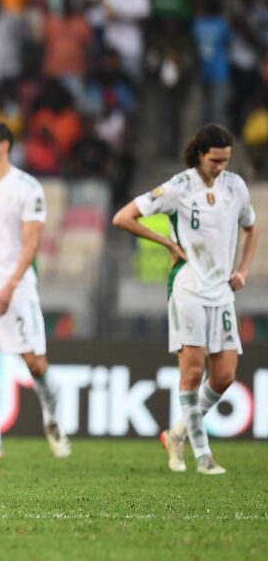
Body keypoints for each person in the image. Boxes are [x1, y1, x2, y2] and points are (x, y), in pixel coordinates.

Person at [112, 124, 257, 475]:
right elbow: (123, 217)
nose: (221, 167)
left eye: (225, 160)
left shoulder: (235, 186)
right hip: (188, 287)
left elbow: (250, 226)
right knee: (192, 373)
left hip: (221, 291)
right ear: (199, 155)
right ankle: (204, 456)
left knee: (224, 376)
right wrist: (167, 243)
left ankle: (176, 434)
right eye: (215, 160)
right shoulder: (179, 187)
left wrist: (243, 269)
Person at [0, 123, 71, 460]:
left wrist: (10, 285)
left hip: (17, 288)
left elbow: (32, 242)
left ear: (4, 146)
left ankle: (52, 415)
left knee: (34, 362)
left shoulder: (27, 188)